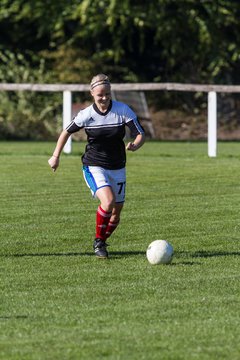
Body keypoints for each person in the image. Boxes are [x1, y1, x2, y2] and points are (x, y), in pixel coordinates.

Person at [48, 74, 145, 258]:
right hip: (94, 165)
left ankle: (100, 241)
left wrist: (135, 144)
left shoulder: (123, 110)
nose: (104, 98)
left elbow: (140, 133)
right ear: (92, 93)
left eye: (107, 94)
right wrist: (55, 156)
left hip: (118, 167)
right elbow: (66, 132)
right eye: (100, 94)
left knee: (116, 215)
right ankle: (99, 244)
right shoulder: (86, 115)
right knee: (107, 202)